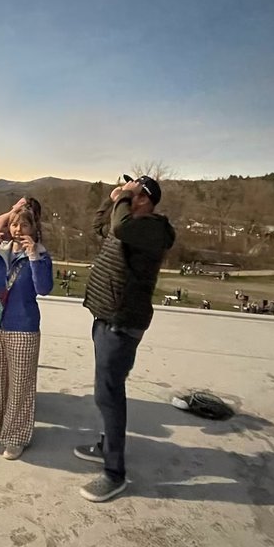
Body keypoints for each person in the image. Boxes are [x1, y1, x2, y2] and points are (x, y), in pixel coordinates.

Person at [74, 175, 175, 502]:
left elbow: (118, 229)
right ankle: (106, 446)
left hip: (121, 323)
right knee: (106, 391)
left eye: (134, 194)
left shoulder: (151, 229)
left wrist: (124, 196)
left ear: (144, 199)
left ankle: (114, 473)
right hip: (105, 316)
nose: (127, 197)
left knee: (109, 395)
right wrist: (112, 197)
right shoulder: (128, 223)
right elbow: (100, 227)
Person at [0, 206, 54, 460]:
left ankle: (16, 435)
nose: (18, 230)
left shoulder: (41, 255)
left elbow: (43, 288)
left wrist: (33, 257)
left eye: (24, 225)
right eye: (15, 225)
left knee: (20, 384)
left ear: (34, 229)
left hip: (24, 327)